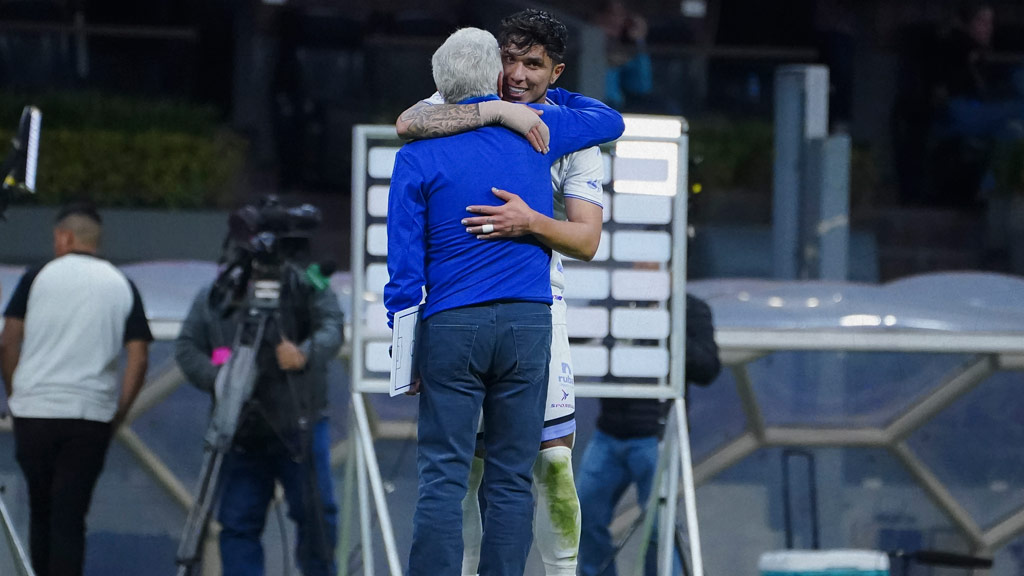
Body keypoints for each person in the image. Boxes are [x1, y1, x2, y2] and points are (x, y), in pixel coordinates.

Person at [385, 26, 623, 576]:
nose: (517, 77)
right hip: (529, 322)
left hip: (453, 324)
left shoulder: (419, 154)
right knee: (514, 476)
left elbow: (404, 269)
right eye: (508, 64)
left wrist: (405, 354)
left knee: (446, 474)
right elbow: (612, 121)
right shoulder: (544, 132)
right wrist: (502, 113)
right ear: (494, 72)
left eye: (532, 66)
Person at [174, 233, 344, 576]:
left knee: (317, 518)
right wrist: (221, 379)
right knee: (237, 523)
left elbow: (333, 327)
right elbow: (187, 347)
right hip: (239, 427)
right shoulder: (220, 293)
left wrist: (304, 353)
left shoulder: (305, 288)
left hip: (300, 423)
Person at [0, 202, 152, 576]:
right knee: (70, 517)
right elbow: (139, 356)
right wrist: (119, 411)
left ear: (64, 237)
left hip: (34, 412)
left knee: (40, 509)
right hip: (89, 415)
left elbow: (8, 341)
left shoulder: (37, 277)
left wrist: (17, 393)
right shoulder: (121, 284)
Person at [576, 294, 721, 576]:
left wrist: (666, 329)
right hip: (608, 431)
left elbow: (708, 368)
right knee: (583, 514)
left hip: (656, 437)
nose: (643, 263)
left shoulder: (690, 308)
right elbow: (575, 335)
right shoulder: (614, 298)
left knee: (660, 527)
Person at [594, 0, 653, 111]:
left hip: (616, 107)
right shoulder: (585, 42)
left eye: (621, 15)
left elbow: (641, 86)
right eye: (611, 14)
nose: (615, 20)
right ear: (599, 17)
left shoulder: (624, 53)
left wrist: (638, 41)